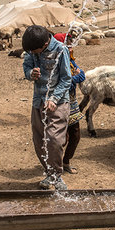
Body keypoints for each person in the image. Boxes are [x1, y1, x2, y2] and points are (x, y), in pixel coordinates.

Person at [22, 25, 72, 190]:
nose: (33, 54)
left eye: (35, 51)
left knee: (53, 139)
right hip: (38, 101)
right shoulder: (31, 51)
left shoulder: (60, 50)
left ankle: (57, 175)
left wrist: (54, 98)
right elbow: (26, 66)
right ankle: (49, 173)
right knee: (39, 140)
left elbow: (66, 79)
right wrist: (31, 74)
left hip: (57, 103)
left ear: (44, 44)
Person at [53, 31, 85, 175]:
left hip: (72, 105)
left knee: (75, 134)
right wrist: (74, 77)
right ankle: (55, 165)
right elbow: (67, 83)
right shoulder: (55, 62)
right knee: (60, 138)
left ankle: (66, 161)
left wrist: (74, 78)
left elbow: (82, 75)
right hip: (58, 104)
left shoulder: (70, 60)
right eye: (68, 45)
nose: (71, 48)